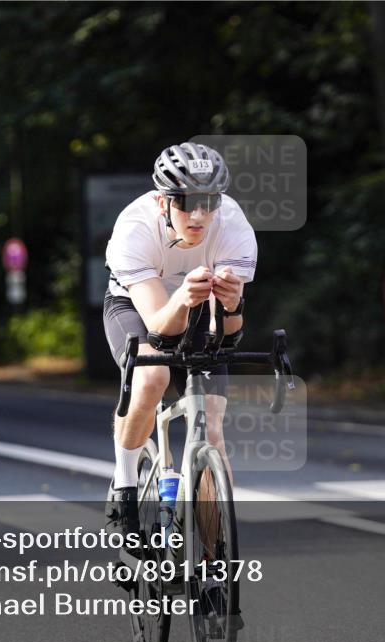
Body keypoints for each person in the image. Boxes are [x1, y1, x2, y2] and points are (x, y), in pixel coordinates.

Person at [101, 142, 257, 539]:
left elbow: (227, 336)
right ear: (162, 202)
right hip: (136, 304)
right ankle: (124, 485)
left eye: (209, 201)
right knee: (151, 378)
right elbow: (157, 327)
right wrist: (183, 298)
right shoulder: (133, 228)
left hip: (198, 303)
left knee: (212, 429)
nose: (200, 215)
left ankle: (212, 559)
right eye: (187, 202)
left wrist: (233, 304)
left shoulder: (233, 226)